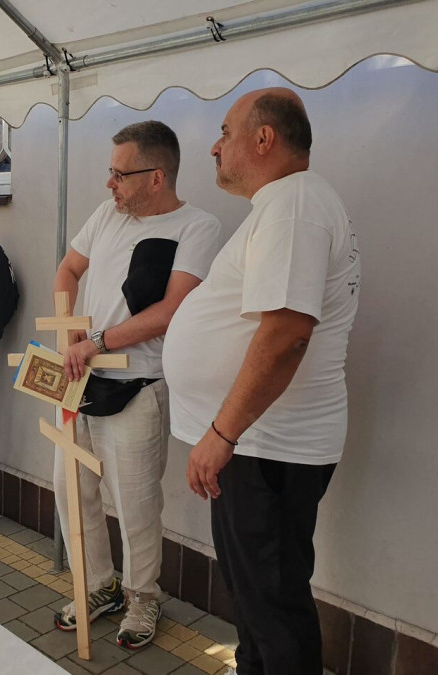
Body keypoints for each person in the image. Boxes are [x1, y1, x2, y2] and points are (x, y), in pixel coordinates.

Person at [162, 88, 361, 674]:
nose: (215, 147)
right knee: (257, 599)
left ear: (264, 138)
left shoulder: (295, 206)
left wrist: (223, 433)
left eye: (226, 133)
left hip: (264, 445)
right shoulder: (286, 204)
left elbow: (286, 334)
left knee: (273, 607)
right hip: (256, 443)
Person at [50, 121, 222, 648]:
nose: (110, 184)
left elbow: (172, 310)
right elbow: (68, 270)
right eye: (111, 172)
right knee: (71, 489)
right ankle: (98, 585)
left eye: (120, 174)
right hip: (80, 377)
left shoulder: (197, 227)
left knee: (135, 503)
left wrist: (97, 340)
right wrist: (69, 329)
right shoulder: (107, 215)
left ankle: (143, 595)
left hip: (139, 384)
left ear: (157, 176)